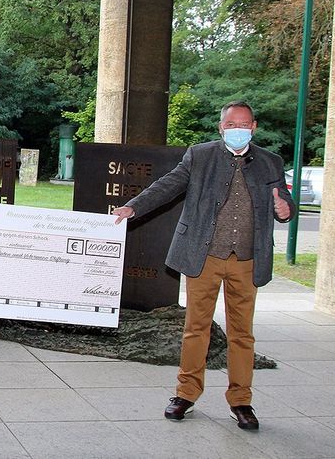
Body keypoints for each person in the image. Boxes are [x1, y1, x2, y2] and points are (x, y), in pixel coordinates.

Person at [112, 101, 295, 431]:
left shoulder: (271, 163)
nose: (237, 129)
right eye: (230, 124)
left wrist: (284, 208)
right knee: (196, 328)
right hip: (204, 255)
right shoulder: (200, 155)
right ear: (221, 127)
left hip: (247, 259)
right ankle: (185, 394)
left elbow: (284, 206)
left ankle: (241, 401)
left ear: (253, 127)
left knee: (242, 334)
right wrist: (132, 207)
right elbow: (168, 185)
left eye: (244, 124)